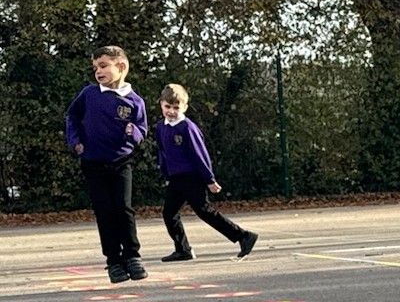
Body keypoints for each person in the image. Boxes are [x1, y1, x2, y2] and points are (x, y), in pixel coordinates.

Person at [65, 46, 149, 283]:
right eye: (95, 68)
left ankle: (132, 256)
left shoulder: (134, 101)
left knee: (123, 208)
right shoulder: (89, 94)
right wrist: (75, 141)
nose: (98, 72)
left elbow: (142, 129)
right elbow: (72, 116)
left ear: (121, 67)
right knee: (104, 211)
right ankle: (114, 260)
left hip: (121, 162)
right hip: (93, 163)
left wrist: (135, 134)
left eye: (103, 66)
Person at [155, 83, 259, 263]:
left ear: (184, 108)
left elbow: (199, 155)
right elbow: (162, 151)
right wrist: (165, 172)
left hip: (192, 177)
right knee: (169, 213)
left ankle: (244, 236)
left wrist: (209, 179)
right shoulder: (160, 127)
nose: (171, 111)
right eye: (167, 107)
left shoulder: (187, 128)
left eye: (176, 108)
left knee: (204, 211)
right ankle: (183, 249)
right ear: (161, 105)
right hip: (175, 178)